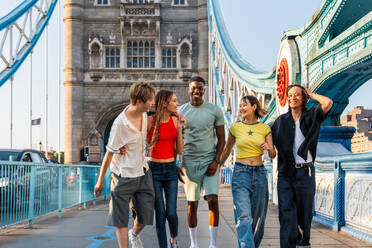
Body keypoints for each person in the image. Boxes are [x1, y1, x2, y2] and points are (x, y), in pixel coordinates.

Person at [94, 82, 156, 248]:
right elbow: (109, 153)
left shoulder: (144, 114)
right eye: (150, 100)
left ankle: (134, 234)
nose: (152, 103)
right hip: (122, 175)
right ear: (138, 102)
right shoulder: (120, 124)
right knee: (120, 218)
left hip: (143, 172)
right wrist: (100, 180)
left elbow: (153, 122)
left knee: (146, 216)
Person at [271, 85, 333, 248]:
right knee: (286, 215)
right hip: (285, 174)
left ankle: (303, 244)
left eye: (297, 95)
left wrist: (312, 94)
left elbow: (328, 102)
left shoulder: (312, 115)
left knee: (304, 216)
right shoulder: (280, 121)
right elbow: (267, 137)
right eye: (290, 95)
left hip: (305, 173)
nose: (293, 98)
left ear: (304, 98)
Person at [220, 95, 276, 248]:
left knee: (258, 220)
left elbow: (273, 154)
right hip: (240, 173)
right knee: (244, 217)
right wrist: (217, 167)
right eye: (240, 105)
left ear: (254, 107)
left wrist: (269, 147)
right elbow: (227, 150)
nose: (241, 108)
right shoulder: (235, 127)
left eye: (245, 105)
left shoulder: (264, 128)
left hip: (259, 174)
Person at [179, 76, 225, 248]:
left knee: (213, 199)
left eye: (200, 88)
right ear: (189, 90)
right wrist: (178, 163)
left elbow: (222, 138)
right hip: (189, 163)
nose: (197, 91)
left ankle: (213, 244)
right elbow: (177, 140)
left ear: (204, 90)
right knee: (192, 204)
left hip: (209, 161)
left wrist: (216, 161)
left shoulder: (215, 110)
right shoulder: (181, 112)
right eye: (194, 88)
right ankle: (194, 244)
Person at [147, 90, 186, 248]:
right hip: (154, 170)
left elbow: (180, 150)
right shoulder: (150, 120)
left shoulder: (176, 121)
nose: (177, 104)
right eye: (174, 101)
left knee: (171, 212)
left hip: (170, 170)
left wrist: (180, 128)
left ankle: (174, 240)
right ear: (164, 103)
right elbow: (136, 138)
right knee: (160, 213)